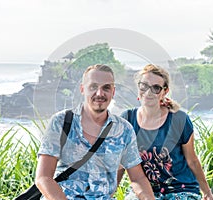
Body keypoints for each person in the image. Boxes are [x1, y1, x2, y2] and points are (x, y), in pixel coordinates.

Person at [35, 64, 155, 200]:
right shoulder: (61, 122)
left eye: (106, 88)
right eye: (93, 87)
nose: (99, 94)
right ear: (82, 89)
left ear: (113, 92)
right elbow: (43, 178)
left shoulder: (124, 130)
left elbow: (138, 178)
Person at [118, 64, 213, 200]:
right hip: (145, 190)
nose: (148, 92)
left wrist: (207, 192)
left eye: (156, 88)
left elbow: (192, 160)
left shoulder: (179, 120)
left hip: (181, 189)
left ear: (164, 91)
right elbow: (120, 164)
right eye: (144, 86)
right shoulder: (127, 119)